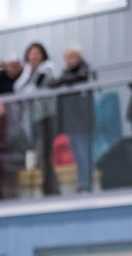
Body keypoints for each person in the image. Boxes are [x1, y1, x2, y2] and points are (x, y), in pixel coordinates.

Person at [14, 41, 60, 195]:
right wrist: (27, 71)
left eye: (37, 53)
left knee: (46, 155)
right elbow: (17, 90)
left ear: (43, 55)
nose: (33, 57)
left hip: (47, 117)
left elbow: (35, 88)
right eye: (31, 54)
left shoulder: (48, 68)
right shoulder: (28, 72)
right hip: (33, 118)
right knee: (40, 155)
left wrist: (27, 89)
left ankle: (51, 189)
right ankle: (47, 187)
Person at [52, 45, 94, 192]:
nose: (68, 61)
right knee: (77, 153)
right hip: (71, 120)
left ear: (78, 57)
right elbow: (55, 83)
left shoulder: (85, 69)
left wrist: (65, 81)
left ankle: (86, 183)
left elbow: (78, 79)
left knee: (84, 153)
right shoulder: (66, 73)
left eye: (71, 57)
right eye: (66, 58)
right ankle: (82, 182)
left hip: (82, 119)